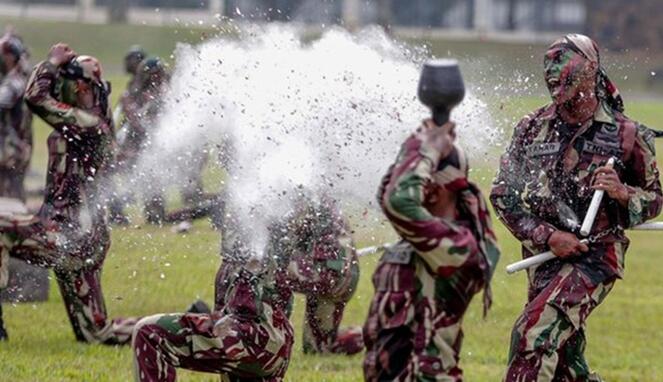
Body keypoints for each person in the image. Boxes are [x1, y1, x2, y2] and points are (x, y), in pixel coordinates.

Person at [491, 34, 662, 381]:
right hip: (545, 258)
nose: (550, 70)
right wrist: (549, 236)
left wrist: (622, 193)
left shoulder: (626, 135)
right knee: (564, 365)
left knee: (533, 335)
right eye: (547, 62)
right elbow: (502, 195)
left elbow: (655, 198)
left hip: (596, 257)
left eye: (561, 59)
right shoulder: (531, 127)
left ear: (591, 67)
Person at [0, 43, 138, 344]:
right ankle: (163, 324)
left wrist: (50, 63)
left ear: (81, 87)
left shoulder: (90, 125)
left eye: (65, 82)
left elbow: (35, 97)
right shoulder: (88, 123)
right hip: (77, 237)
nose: (59, 88)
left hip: (72, 237)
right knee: (96, 335)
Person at [363, 120, 500, 381]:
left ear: (434, 192)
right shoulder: (421, 236)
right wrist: (419, 144)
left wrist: (426, 148)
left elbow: (399, 200)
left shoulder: (457, 246)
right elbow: (389, 193)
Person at [132, 220, 294, 381]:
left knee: (149, 332)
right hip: (271, 342)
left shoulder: (259, 226)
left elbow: (247, 306)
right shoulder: (250, 240)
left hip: (254, 339)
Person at [273, 194, 363, 355]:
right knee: (317, 349)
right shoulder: (321, 199)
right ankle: (361, 336)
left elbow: (283, 239)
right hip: (341, 278)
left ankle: (266, 329)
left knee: (269, 270)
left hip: (331, 277)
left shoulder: (307, 200)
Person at [0, 35, 31, 201]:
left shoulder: (12, 83)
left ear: (9, 57)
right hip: (16, 145)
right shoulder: (19, 79)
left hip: (9, 147)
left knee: (8, 194)